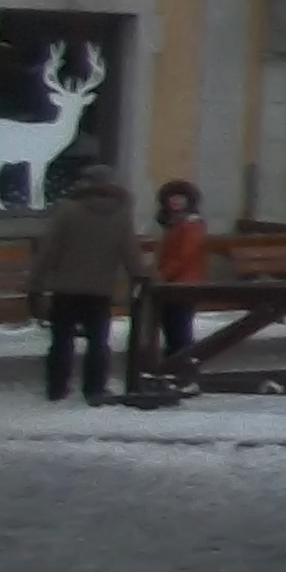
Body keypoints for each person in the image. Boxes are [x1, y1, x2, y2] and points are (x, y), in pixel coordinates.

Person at [33, 159, 141, 406]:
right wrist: (141, 277)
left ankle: (57, 388)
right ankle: (94, 388)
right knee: (98, 342)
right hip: (100, 291)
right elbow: (131, 254)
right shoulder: (122, 215)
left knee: (61, 341)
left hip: (66, 289)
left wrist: (35, 285)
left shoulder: (68, 211)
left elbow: (48, 251)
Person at [147, 178, 209, 389]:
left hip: (183, 285)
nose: (174, 201)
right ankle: (174, 370)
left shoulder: (190, 224)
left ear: (188, 200)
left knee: (179, 330)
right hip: (174, 284)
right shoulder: (175, 223)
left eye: (179, 197)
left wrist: (160, 275)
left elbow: (183, 256)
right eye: (171, 197)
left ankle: (182, 372)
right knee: (173, 329)